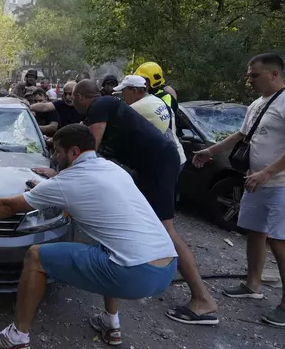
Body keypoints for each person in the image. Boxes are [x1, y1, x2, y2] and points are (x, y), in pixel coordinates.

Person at [0, 124, 178, 348]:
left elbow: (7, 206)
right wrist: (49, 187)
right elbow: (82, 194)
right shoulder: (112, 169)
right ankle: (111, 323)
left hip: (135, 273)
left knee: (36, 256)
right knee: (107, 245)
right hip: (167, 265)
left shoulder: (67, 181)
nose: (54, 157)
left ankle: (16, 337)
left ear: (74, 152)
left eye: (57, 151)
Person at [69, 80, 218, 325]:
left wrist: (59, 178)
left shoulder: (99, 106)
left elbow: (88, 154)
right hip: (155, 165)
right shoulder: (105, 107)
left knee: (166, 230)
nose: (70, 101)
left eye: (72, 97)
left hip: (157, 166)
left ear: (81, 97)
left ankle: (203, 299)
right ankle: (150, 272)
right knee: (147, 223)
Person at [193, 53, 285, 327]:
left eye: (254, 75)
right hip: (255, 181)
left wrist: (268, 171)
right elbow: (240, 136)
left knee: (279, 242)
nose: (249, 80)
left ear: (274, 75)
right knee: (255, 233)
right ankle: (252, 285)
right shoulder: (258, 104)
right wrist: (210, 151)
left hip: (280, 184)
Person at [114, 75, 186, 170]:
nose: (123, 95)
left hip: (164, 162)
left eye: (124, 91)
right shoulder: (157, 100)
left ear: (134, 90)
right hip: (178, 156)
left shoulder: (135, 108)